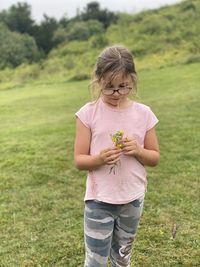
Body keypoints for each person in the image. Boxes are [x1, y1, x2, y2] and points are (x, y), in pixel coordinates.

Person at [74, 45, 160, 267]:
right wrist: (99, 159)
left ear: (132, 80)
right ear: (98, 80)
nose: (116, 93)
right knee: (96, 262)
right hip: (99, 201)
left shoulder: (144, 114)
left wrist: (139, 151)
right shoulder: (87, 114)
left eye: (123, 87)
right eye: (109, 87)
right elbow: (79, 160)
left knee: (122, 259)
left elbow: (154, 158)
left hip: (132, 199)